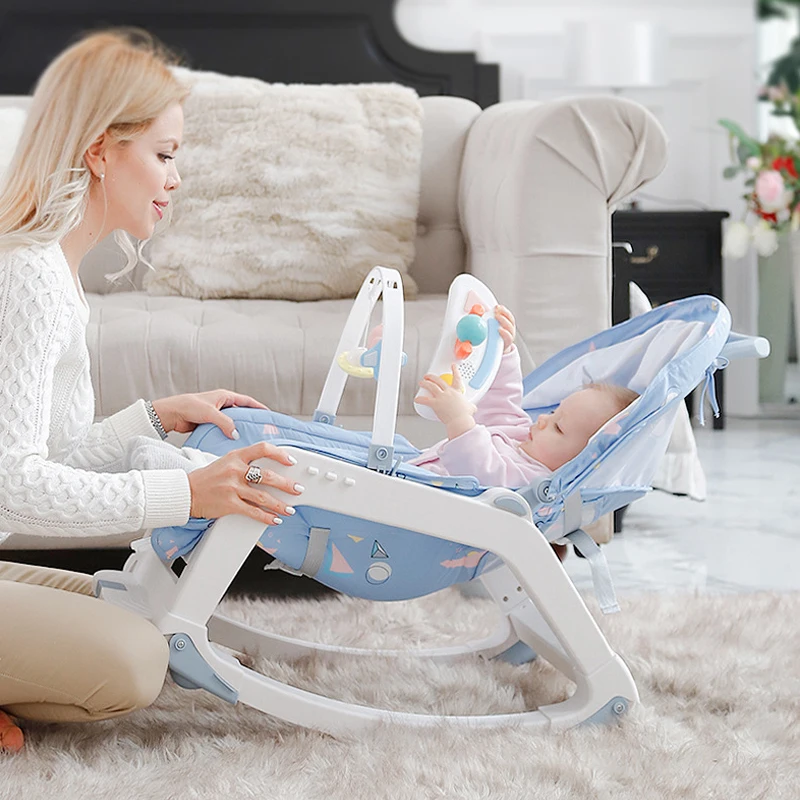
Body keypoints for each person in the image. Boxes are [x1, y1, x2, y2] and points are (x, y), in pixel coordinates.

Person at [0, 29, 304, 753]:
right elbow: (11, 485)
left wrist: (156, 416)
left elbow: (55, 453)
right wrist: (188, 496)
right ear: (101, 152)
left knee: (144, 621)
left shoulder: (52, 273)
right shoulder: (29, 277)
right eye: (164, 155)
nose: (175, 178)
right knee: (135, 663)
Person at [412, 305, 639, 490]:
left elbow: (482, 473)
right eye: (553, 413)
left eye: (558, 427)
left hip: (417, 500)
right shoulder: (521, 436)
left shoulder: (532, 482)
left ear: (579, 464)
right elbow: (503, 402)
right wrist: (503, 351)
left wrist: (458, 421)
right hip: (413, 466)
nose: (542, 420)